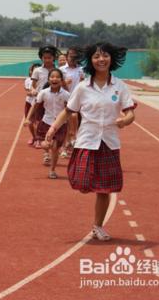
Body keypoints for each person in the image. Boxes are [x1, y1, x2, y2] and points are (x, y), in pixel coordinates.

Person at [46, 42, 135, 241]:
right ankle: (90, 190)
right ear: (91, 61)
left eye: (104, 56)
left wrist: (125, 120)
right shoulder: (83, 87)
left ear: (111, 59)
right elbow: (68, 111)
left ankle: (98, 226)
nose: (101, 60)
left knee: (104, 189)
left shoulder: (119, 86)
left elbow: (130, 113)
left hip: (109, 141)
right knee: (81, 179)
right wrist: (52, 129)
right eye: (96, 57)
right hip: (87, 139)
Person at [26, 68, 69, 179]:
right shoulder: (43, 93)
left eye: (57, 77)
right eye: (52, 77)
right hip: (46, 122)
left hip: (60, 125)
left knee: (55, 147)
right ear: (49, 79)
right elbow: (35, 106)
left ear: (61, 80)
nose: (54, 79)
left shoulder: (66, 95)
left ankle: (52, 170)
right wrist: (28, 118)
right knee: (47, 145)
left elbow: (70, 111)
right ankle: (46, 150)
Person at [31, 45, 60, 149]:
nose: (47, 60)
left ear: (54, 58)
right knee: (38, 121)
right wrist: (33, 90)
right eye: (45, 58)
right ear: (41, 58)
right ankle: (39, 139)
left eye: (49, 57)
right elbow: (33, 85)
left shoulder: (57, 70)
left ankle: (51, 140)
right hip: (40, 99)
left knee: (52, 122)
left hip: (54, 100)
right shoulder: (37, 70)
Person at [59, 47, 85, 157]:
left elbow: (83, 84)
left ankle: (71, 143)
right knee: (67, 123)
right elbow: (55, 84)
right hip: (65, 99)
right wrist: (64, 83)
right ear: (67, 57)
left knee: (75, 122)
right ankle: (65, 146)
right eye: (70, 56)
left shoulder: (80, 69)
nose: (72, 58)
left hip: (77, 99)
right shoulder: (62, 70)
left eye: (75, 56)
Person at [24, 63, 41, 145]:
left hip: (38, 102)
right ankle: (34, 137)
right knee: (30, 122)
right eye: (33, 70)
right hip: (29, 102)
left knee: (37, 122)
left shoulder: (42, 80)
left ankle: (38, 139)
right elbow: (27, 91)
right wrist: (32, 93)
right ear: (30, 71)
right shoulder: (27, 80)